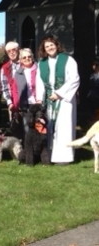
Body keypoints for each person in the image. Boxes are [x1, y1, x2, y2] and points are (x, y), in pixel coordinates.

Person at [36, 35, 80, 164]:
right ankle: (49, 155)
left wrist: (59, 94)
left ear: (57, 45)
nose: (50, 48)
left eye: (52, 45)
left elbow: (75, 79)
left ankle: (64, 157)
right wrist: (40, 99)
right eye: (47, 46)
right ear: (44, 49)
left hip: (64, 100)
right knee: (50, 127)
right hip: (48, 99)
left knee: (64, 127)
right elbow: (39, 82)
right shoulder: (41, 63)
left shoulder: (68, 60)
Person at [10, 48, 38, 139]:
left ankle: (40, 151)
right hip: (24, 105)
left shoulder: (39, 69)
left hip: (38, 103)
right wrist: (16, 105)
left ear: (33, 57)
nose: (27, 59)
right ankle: (29, 151)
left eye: (29, 56)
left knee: (39, 129)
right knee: (27, 129)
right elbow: (15, 91)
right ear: (21, 60)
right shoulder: (18, 73)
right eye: (24, 57)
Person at [1, 41, 21, 120]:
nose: (12, 53)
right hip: (13, 103)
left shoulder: (25, 63)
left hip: (27, 102)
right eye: (9, 51)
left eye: (14, 50)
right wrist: (9, 102)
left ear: (18, 50)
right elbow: (4, 87)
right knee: (15, 127)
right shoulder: (5, 68)